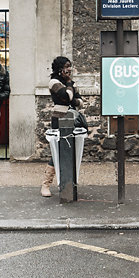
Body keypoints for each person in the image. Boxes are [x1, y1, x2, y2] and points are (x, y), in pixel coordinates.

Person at [43, 56, 83, 197]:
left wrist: (71, 92)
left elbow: (79, 101)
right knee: (58, 151)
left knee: (71, 151)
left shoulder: (70, 82)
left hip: (72, 119)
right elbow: (67, 97)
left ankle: (68, 183)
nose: (69, 69)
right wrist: (69, 88)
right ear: (60, 68)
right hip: (59, 119)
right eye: (66, 66)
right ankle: (46, 184)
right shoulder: (54, 82)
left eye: (70, 66)